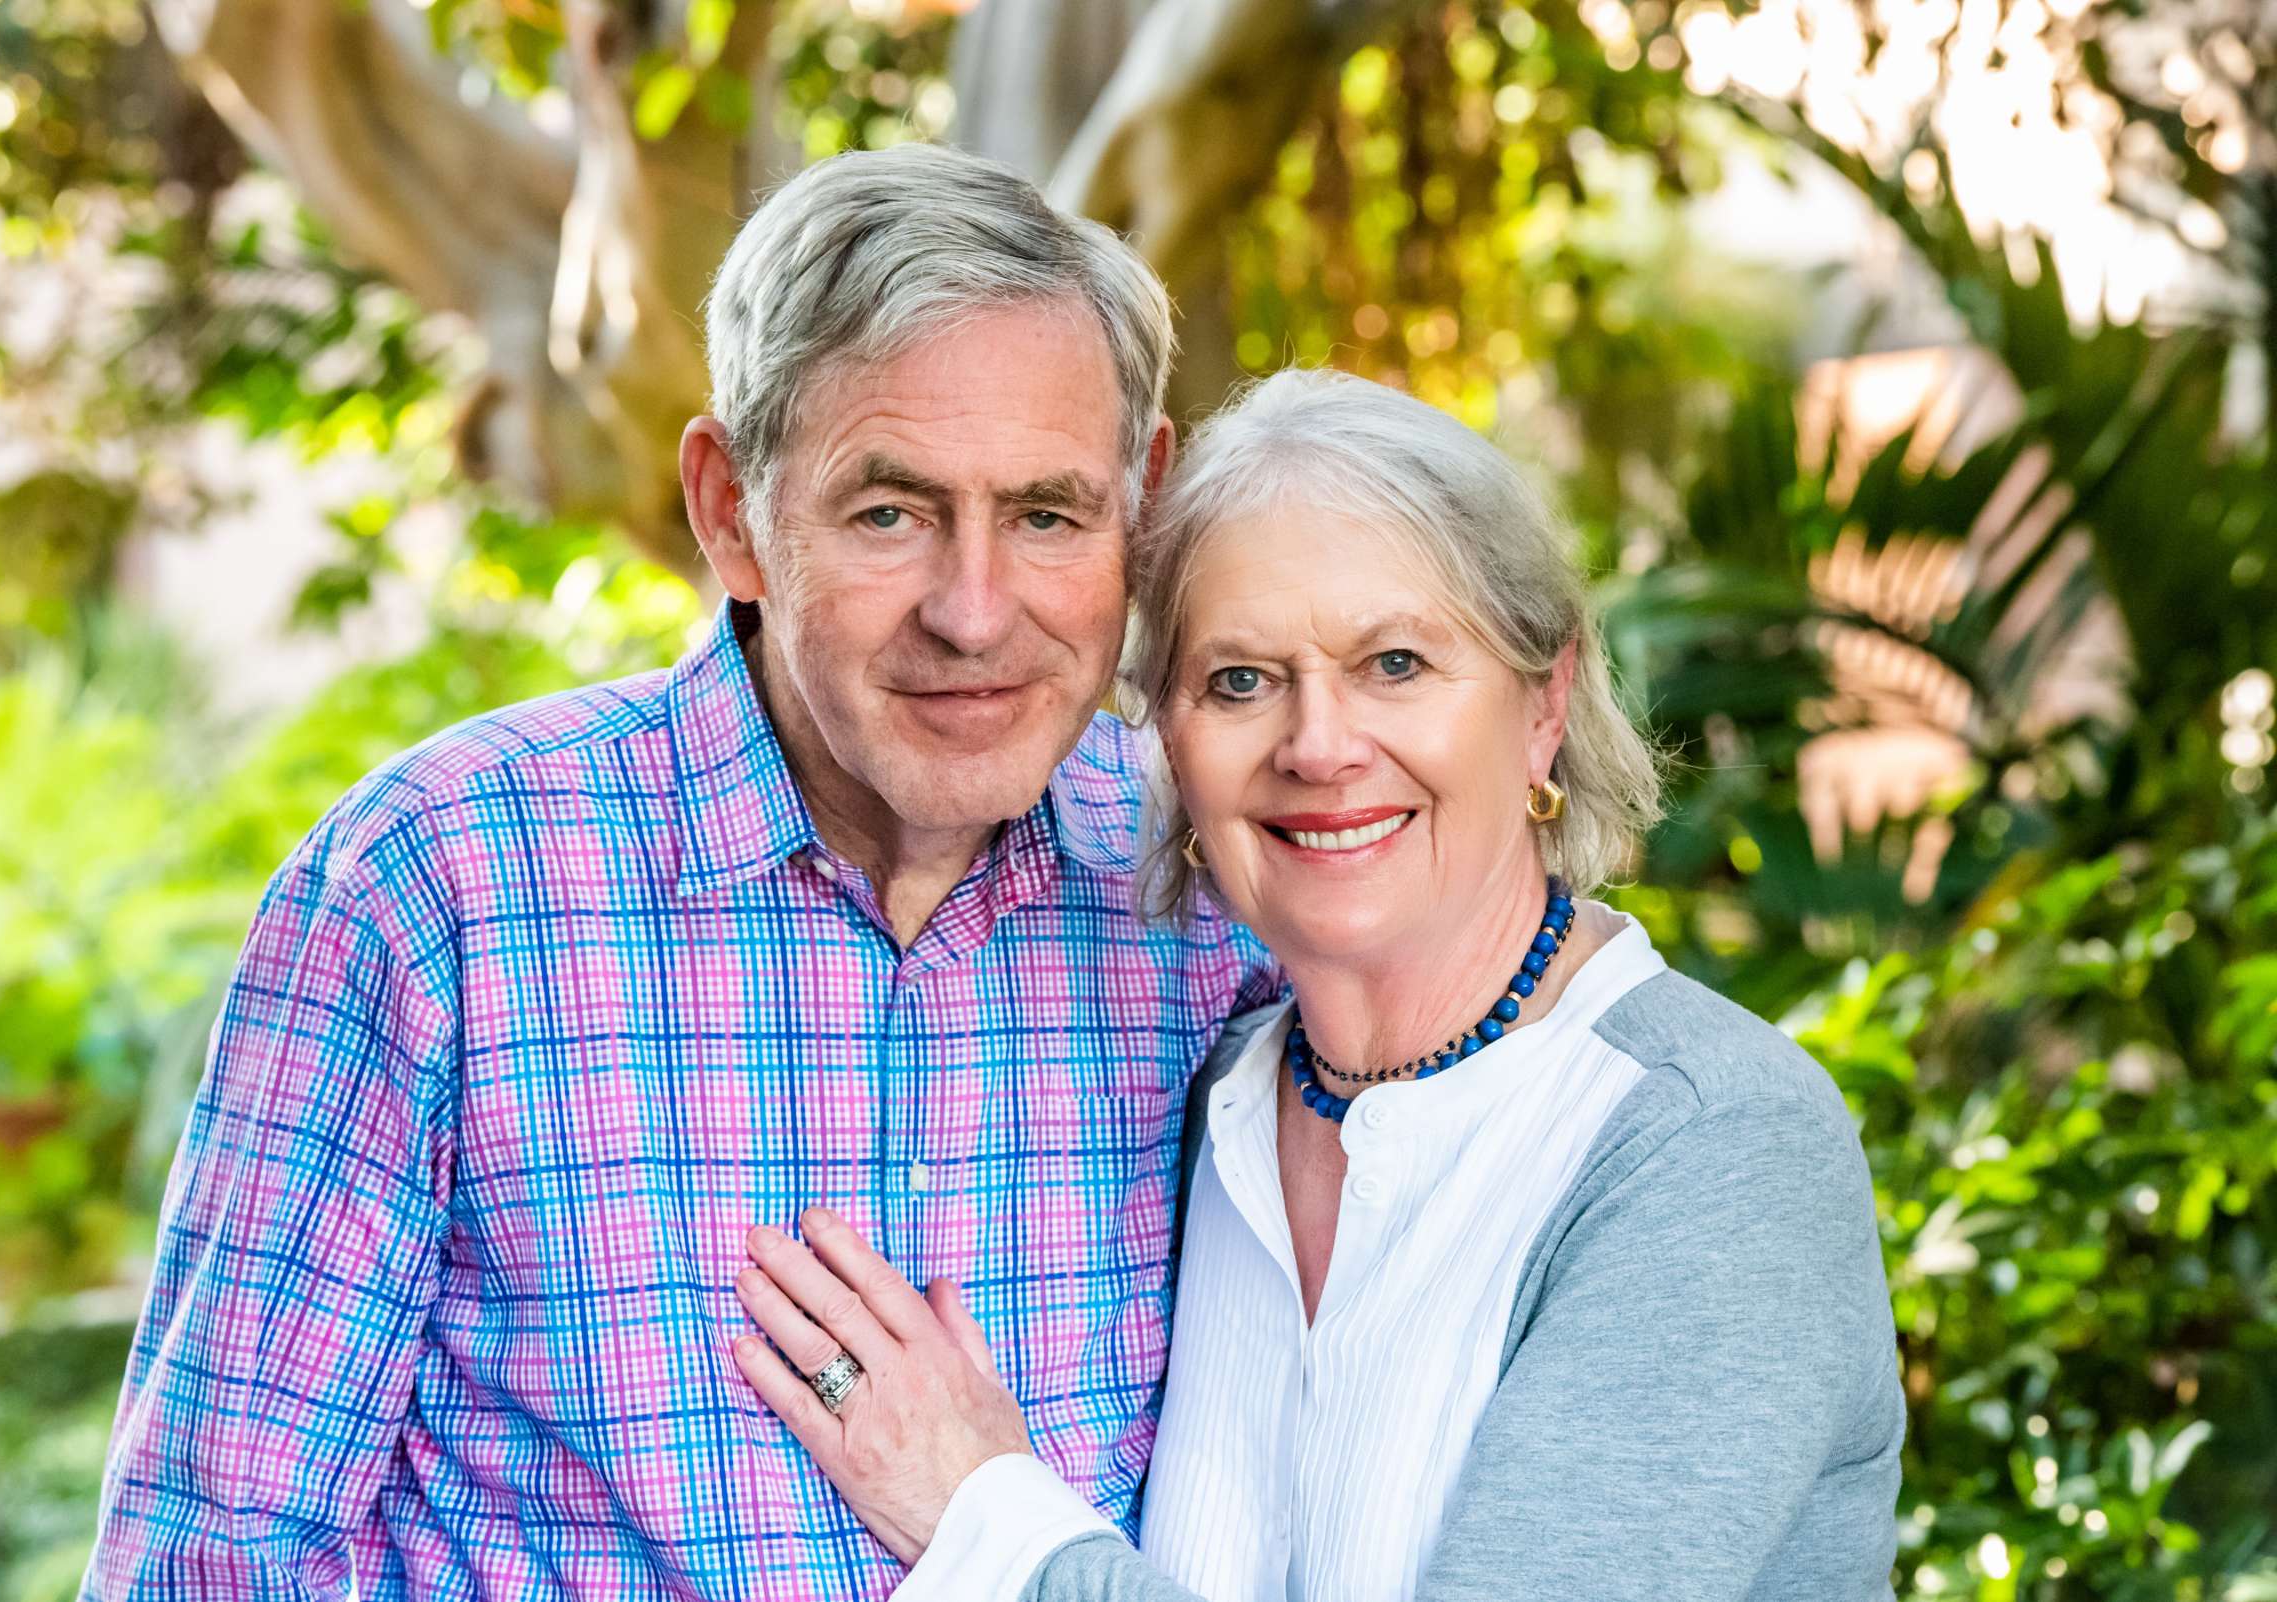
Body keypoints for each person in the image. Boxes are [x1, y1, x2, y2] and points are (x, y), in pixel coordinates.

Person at [81, 143, 1281, 1601]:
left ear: (1141, 505)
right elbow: (213, 1565)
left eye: (1047, 513)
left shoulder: (1213, 891)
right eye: (889, 511)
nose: (976, 613)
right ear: (731, 512)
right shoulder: (438, 889)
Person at [732, 368, 1906, 1602]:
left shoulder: (1707, 1143)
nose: (1320, 747)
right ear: (1169, 748)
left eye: (1396, 663)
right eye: (1238, 681)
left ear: (1544, 703)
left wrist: (984, 1515)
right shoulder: (1216, 1104)